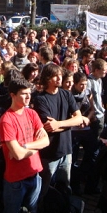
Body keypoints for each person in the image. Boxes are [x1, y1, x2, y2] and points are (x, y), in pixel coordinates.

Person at [0, 78, 50, 213]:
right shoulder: (6, 120)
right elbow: (18, 155)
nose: (28, 97)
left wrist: (25, 146)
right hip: (16, 181)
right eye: (23, 93)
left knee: (32, 210)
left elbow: (46, 141)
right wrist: (36, 146)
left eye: (29, 93)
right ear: (13, 95)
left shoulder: (32, 113)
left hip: (35, 175)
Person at [33, 63, 83, 201]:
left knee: (65, 188)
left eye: (60, 75)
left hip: (66, 151)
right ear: (47, 78)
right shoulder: (40, 99)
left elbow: (79, 119)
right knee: (43, 190)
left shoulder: (66, 94)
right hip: (49, 153)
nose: (59, 78)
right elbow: (49, 127)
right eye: (55, 76)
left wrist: (59, 123)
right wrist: (69, 122)